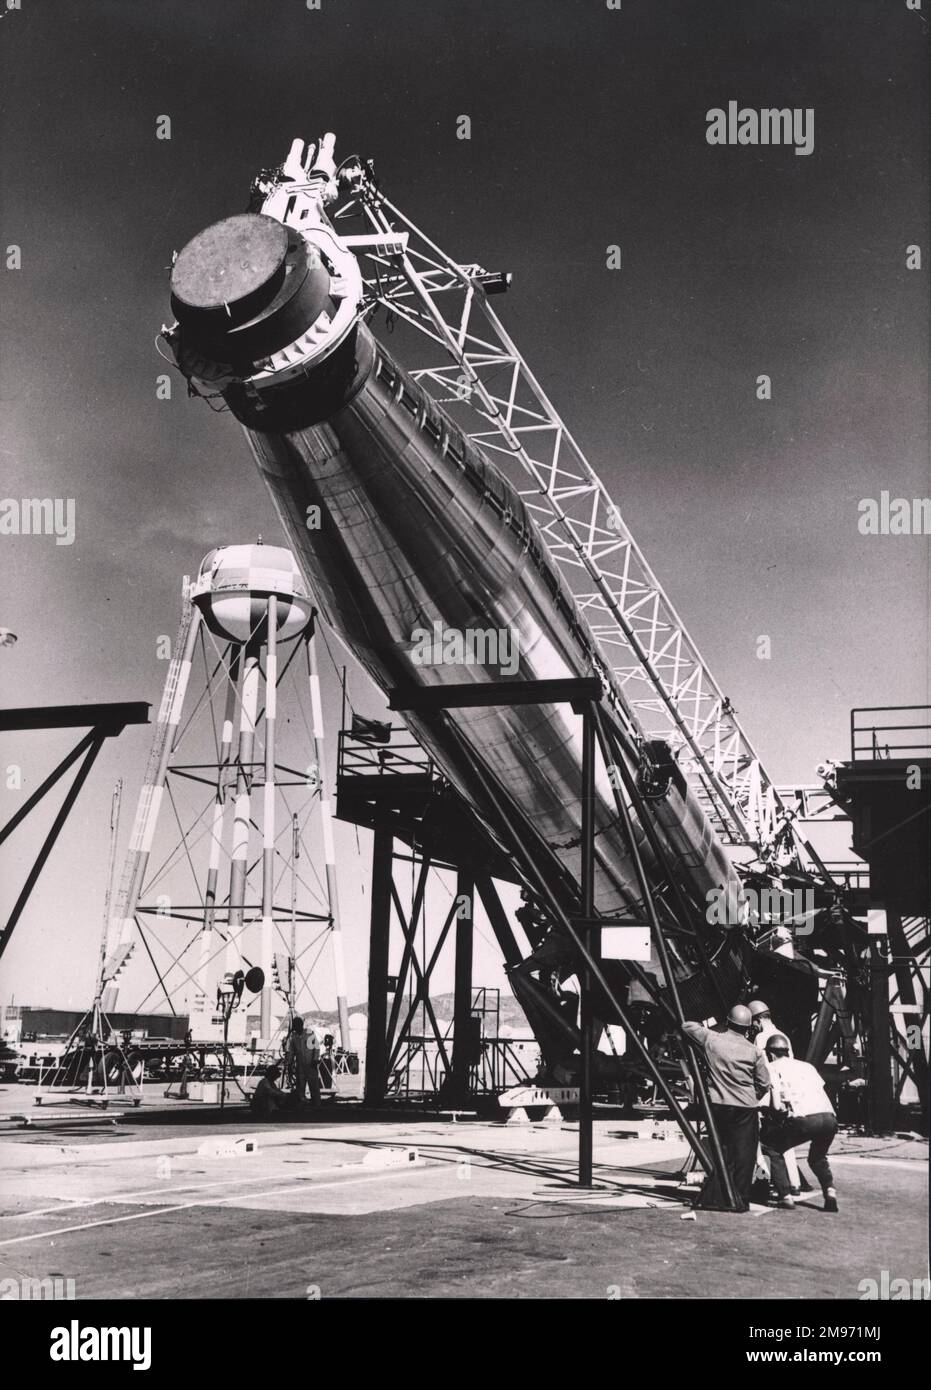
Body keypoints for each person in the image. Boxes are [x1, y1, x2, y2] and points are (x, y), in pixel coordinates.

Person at [682, 1005, 771, 1212]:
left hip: (718, 1104)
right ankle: (740, 1199)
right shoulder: (754, 1051)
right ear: (749, 1028)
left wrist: (716, 1027)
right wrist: (751, 1096)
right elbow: (764, 1084)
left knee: (721, 1151)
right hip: (745, 1107)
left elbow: (687, 1026)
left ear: (728, 1022)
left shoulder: (713, 1039)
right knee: (744, 1155)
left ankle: (718, 1195)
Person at [761, 1034, 839, 1212]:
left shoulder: (771, 1068)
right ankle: (830, 1190)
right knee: (817, 1158)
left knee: (771, 1147)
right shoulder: (807, 1066)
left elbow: (776, 1105)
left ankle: (785, 1196)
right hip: (829, 1118)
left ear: (770, 1053)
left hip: (805, 1120)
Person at [288, 1016, 322, 1106]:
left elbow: (316, 1048)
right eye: (295, 1025)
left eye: (298, 1025)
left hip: (311, 1064)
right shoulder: (294, 1037)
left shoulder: (309, 1033)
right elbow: (291, 1051)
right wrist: (289, 1063)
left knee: (314, 1086)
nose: (296, 1027)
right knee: (300, 1086)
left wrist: (315, 1059)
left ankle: (316, 1104)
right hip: (300, 1066)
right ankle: (301, 1104)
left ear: (301, 1025)